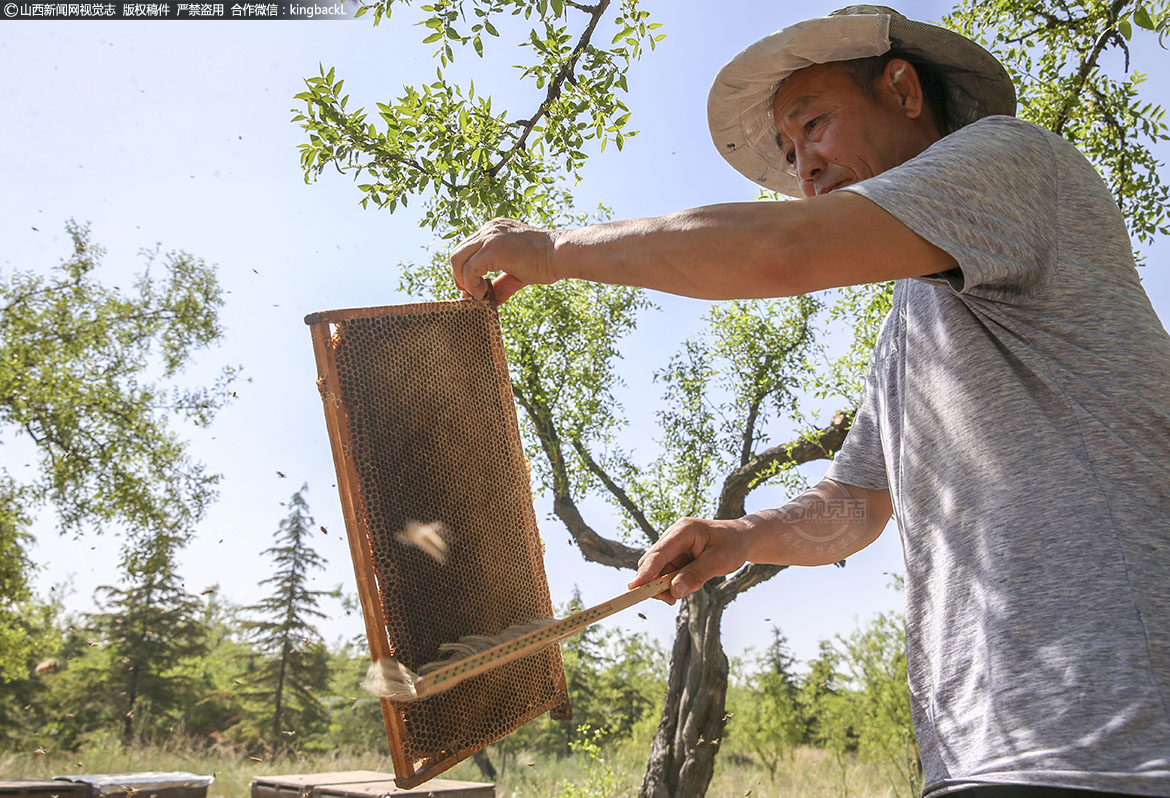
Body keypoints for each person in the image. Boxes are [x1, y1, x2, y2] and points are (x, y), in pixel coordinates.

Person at [449, 6, 1170, 796]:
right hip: (982, 755)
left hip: (1121, 739)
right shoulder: (910, 329)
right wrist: (740, 534)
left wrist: (556, 251)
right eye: (789, 152)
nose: (803, 170)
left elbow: (779, 249)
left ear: (901, 89)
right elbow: (855, 506)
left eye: (814, 125)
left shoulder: (1011, 161)